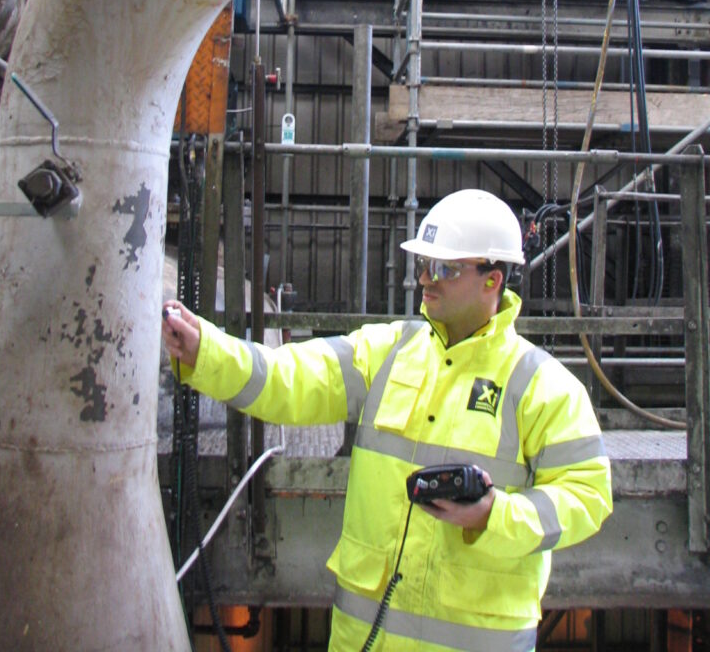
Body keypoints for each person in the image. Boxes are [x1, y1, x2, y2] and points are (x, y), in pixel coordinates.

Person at [162, 188, 612, 652]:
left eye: (442, 268)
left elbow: (588, 495)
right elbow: (288, 378)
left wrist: (494, 516)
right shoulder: (387, 351)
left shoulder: (543, 386)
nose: (424, 279)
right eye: (422, 265)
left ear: (491, 281)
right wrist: (207, 351)